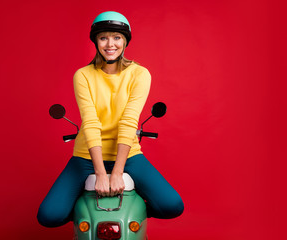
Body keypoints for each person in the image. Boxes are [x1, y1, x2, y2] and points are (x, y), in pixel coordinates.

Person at [37, 11, 184, 228]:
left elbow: (128, 121)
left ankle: (133, 214)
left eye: (116, 37)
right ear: (96, 41)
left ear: (125, 41)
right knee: (49, 216)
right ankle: (85, 214)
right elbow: (90, 122)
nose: (110, 44)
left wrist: (116, 172)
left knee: (172, 205)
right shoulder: (83, 75)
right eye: (103, 37)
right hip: (86, 156)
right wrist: (99, 173)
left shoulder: (139, 74)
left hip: (129, 155)